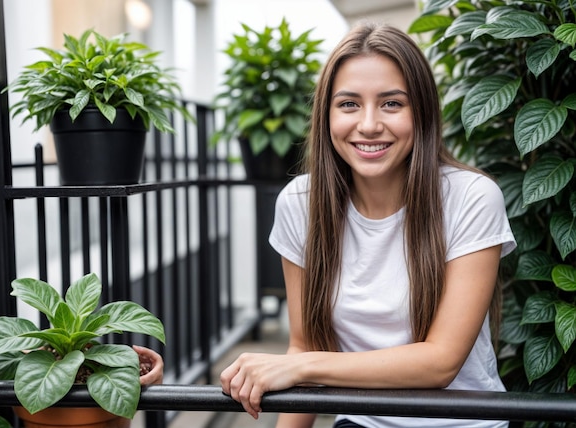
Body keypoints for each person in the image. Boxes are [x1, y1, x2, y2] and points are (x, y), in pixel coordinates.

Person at [220, 21, 516, 428]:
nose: (370, 124)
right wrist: (300, 367)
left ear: (422, 112)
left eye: (392, 103)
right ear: (326, 115)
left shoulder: (472, 197)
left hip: (464, 424)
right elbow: (303, 345)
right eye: (349, 104)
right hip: (363, 423)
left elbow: (440, 362)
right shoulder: (300, 204)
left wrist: (305, 367)